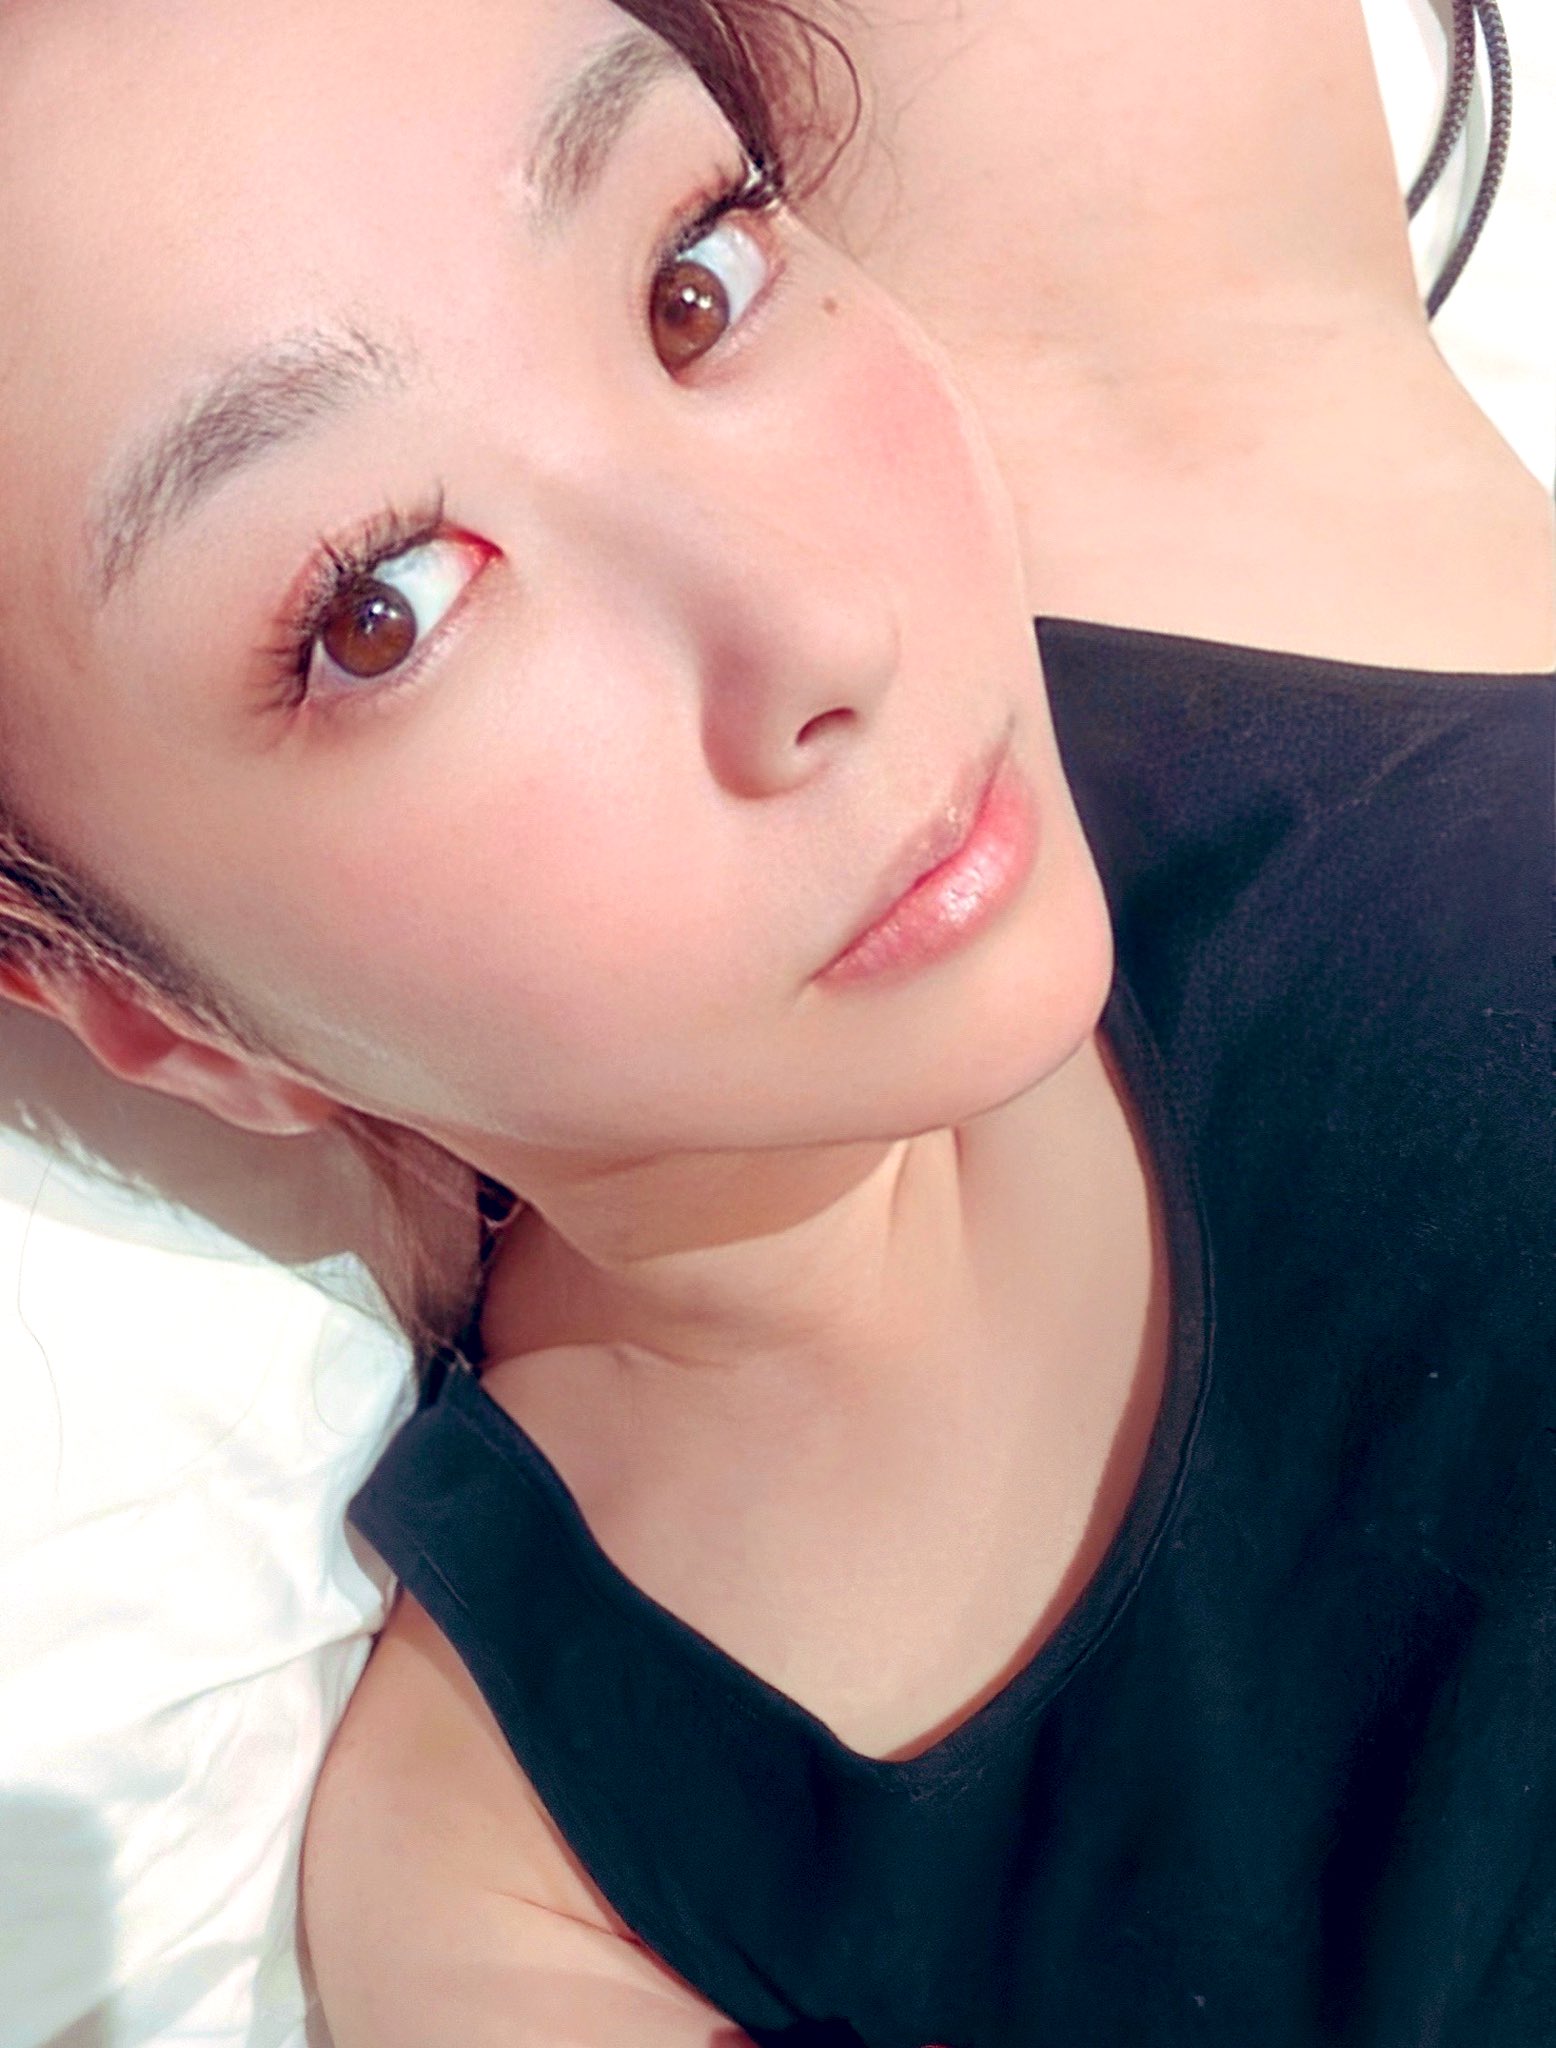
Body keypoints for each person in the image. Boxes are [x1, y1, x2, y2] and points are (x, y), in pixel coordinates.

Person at [0, 1, 1548, 2044]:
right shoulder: (539, 1901)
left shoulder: (1196, 436)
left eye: (694, 280)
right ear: (158, 1020)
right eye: (385, 610)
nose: (827, 626)